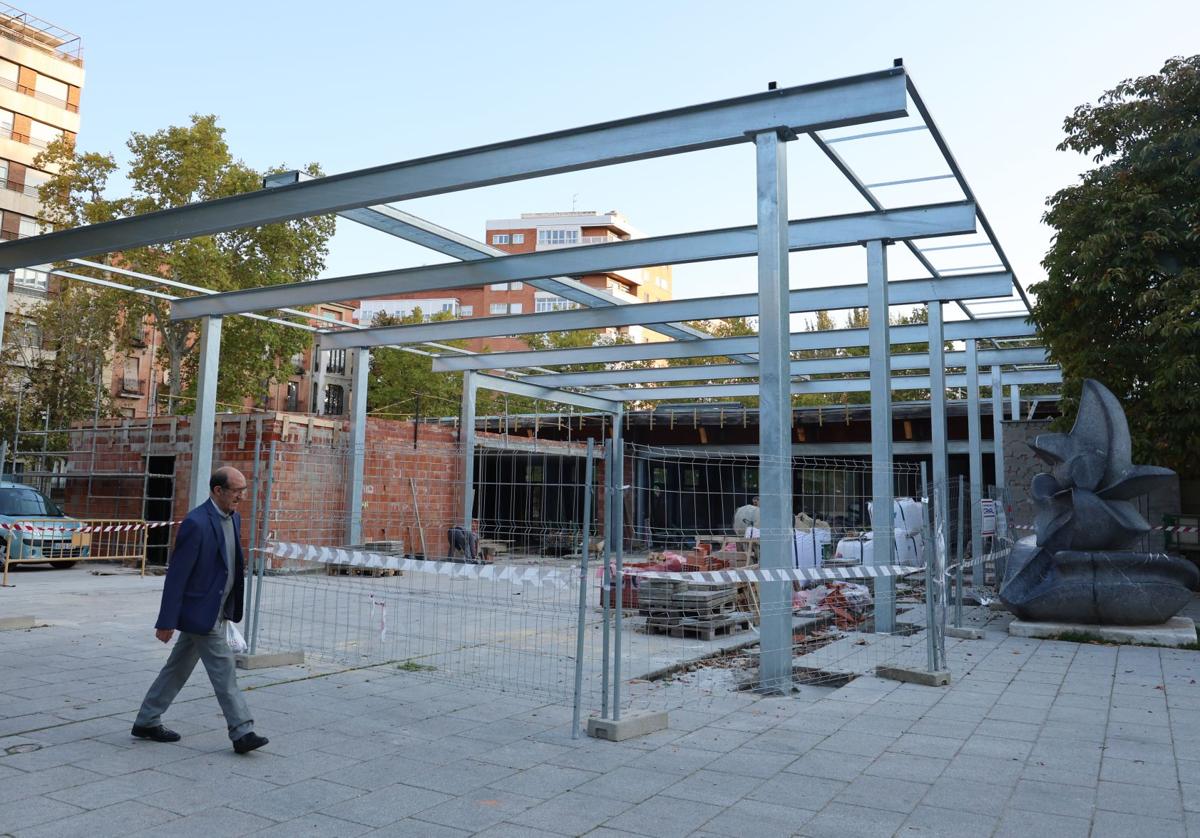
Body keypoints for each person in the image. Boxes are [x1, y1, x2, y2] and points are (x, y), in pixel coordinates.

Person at [131, 467, 268, 755]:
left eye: (244, 491)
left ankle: (146, 719)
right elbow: (177, 576)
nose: (241, 497)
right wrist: (167, 620)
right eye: (236, 491)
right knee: (224, 669)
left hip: (218, 609)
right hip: (201, 611)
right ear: (218, 491)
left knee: (177, 668)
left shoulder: (234, 518)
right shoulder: (195, 522)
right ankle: (242, 731)